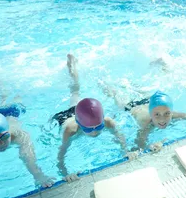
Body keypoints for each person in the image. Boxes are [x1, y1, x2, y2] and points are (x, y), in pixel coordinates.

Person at [51, 54, 136, 182]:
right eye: (89, 129)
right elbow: (61, 156)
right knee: (74, 91)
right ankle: (71, 66)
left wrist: (126, 151)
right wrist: (65, 173)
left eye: (99, 126)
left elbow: (120, 138)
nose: (95, 132)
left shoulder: (107, 121)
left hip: (83, 113)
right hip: (68, 116)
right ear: (80, 125)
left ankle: (98, 79)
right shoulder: (71, 130)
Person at [102, 85, 186, 152]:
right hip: (131, 106)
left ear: (171, 112)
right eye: (157, 115)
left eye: (167, 114)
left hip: (150, 101)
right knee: (117, 98)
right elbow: (138, 145)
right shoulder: (146, 124)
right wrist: (151, 146)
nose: (162, 119)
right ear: (151, 115)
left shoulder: (172, 114)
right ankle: (108, 87)